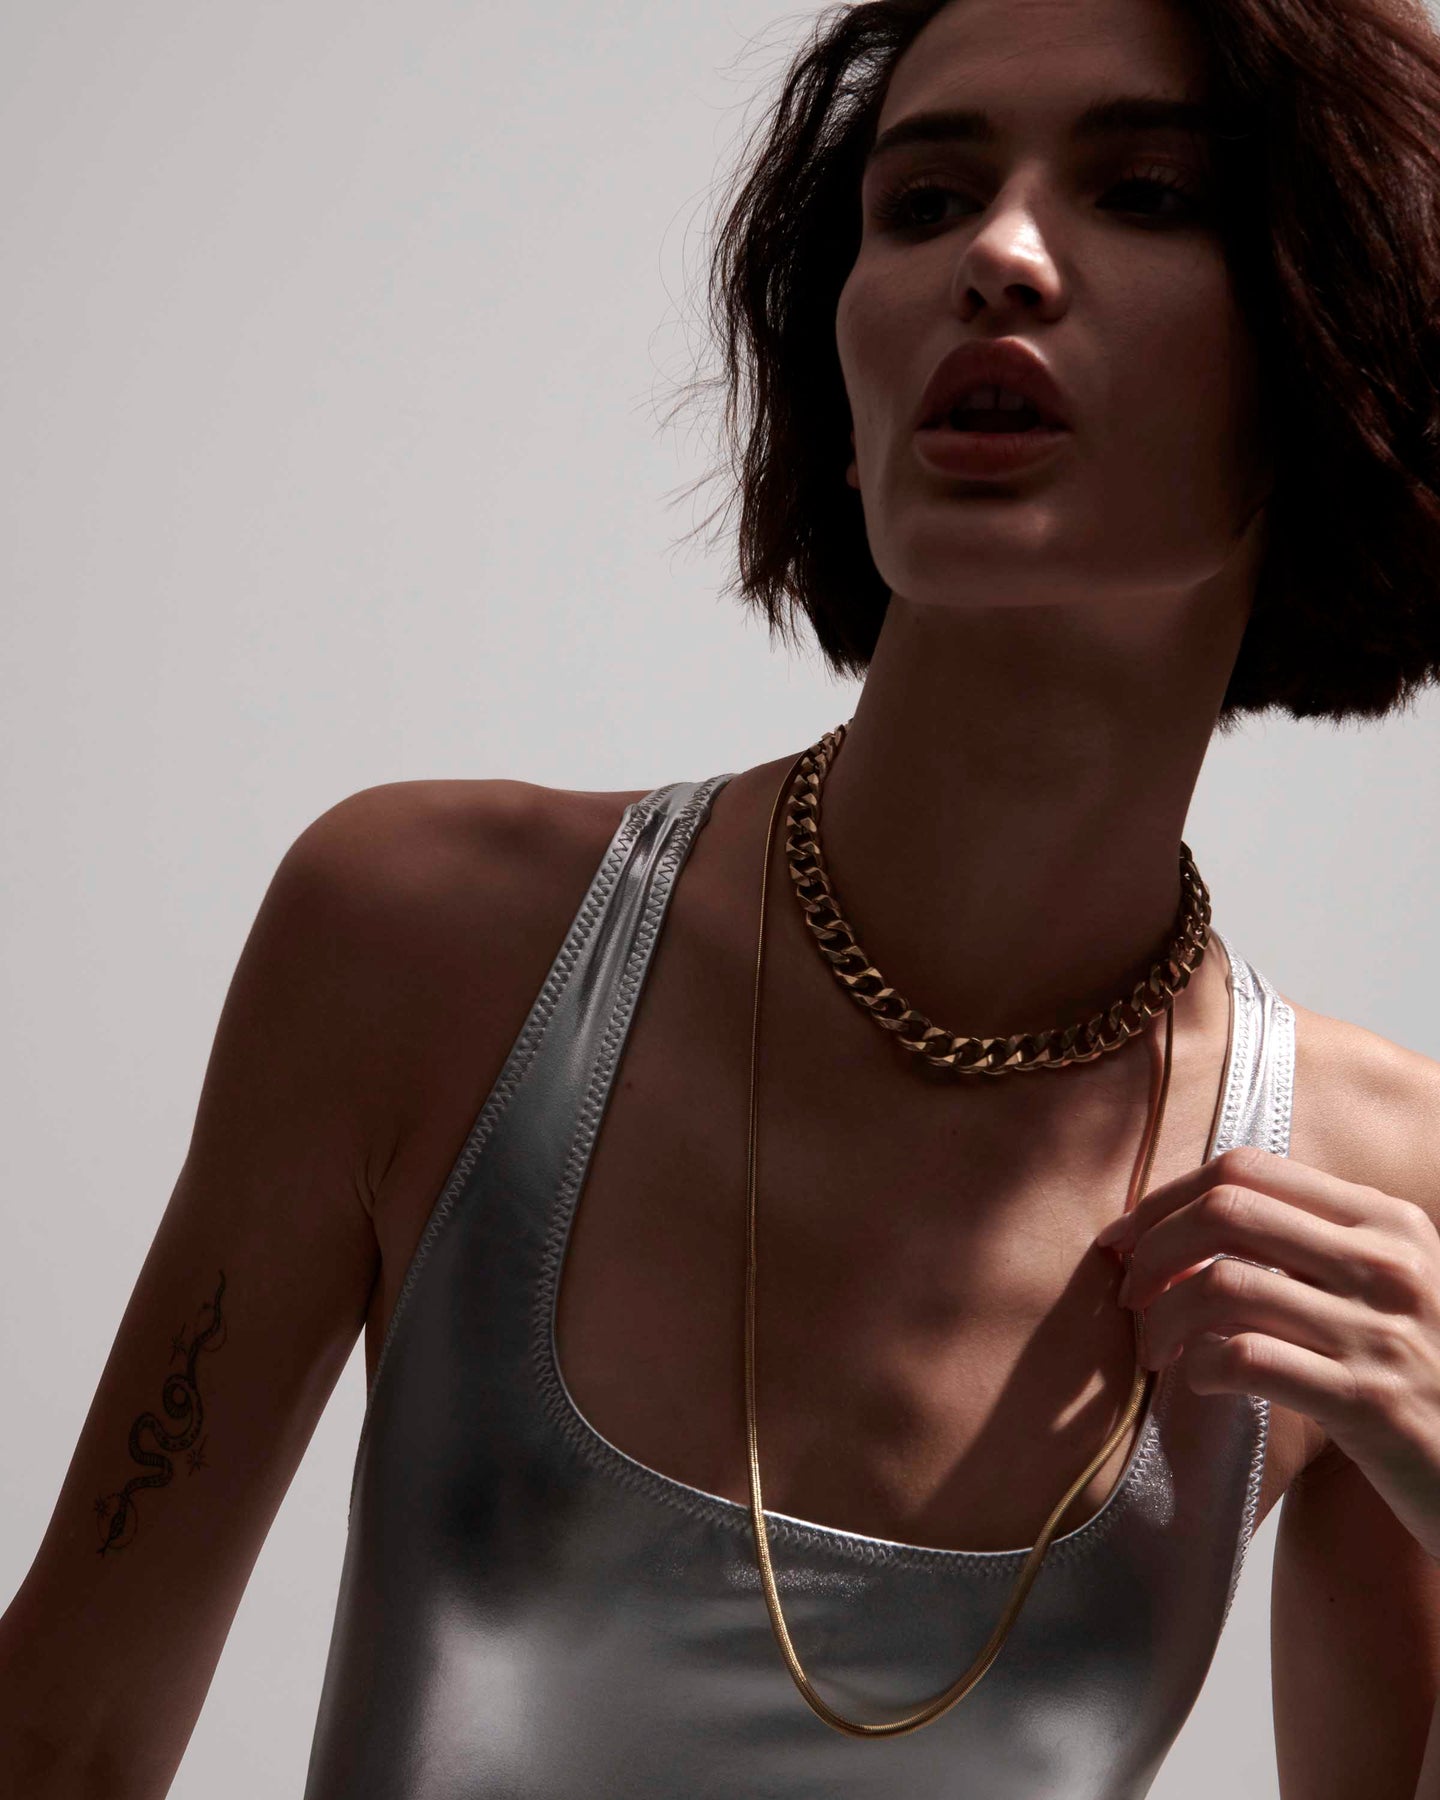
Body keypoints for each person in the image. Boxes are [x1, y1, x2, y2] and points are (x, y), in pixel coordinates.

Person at [6, 0, 1440, 1791]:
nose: (995, 256)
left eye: (1146, 193)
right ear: (841, 388)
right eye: (921, 203)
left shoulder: (1379, 1194)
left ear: (1338, 359)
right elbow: (60, 1741)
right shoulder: (428, 946)